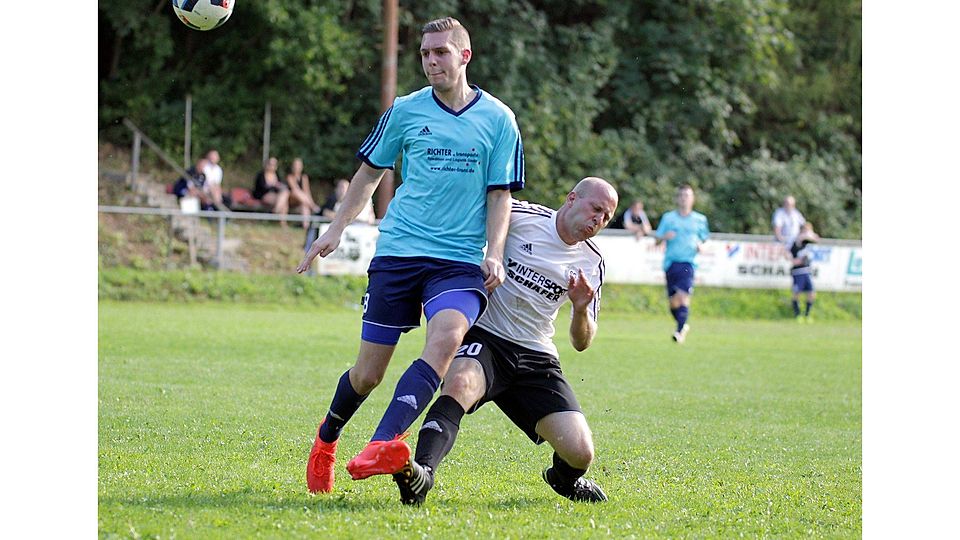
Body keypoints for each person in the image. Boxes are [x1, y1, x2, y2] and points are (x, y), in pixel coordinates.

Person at [295, 16, 525, 494]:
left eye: (440, 52)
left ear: (465, 56)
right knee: (367, 374)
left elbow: (500, 193)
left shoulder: (499, 119)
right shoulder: (404, 110)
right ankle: (326, 439)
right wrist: (335, 229)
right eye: (424, 54)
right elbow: (368, 174)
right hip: (399, 252)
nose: (430, 61)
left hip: (459, 260)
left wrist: (496, 252)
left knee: (445, 340)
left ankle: (380, 445)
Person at [392, 177, 618, 506]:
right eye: (596, 208)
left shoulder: (592, 262)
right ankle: (422, 475)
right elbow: (468, 223)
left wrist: (581, 310)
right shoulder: (522, 217)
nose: (599, 219)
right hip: (488, 338)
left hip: (536, 355)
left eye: (607, 217)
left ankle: (563, 480)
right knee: (459, 383)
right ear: (571, 199)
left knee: (581, 453)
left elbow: (582, 342)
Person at [654, 184, 710, 343]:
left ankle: (679, 332)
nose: (684, 198)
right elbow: (657, 240)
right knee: (673, 302)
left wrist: (702, 247)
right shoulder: (668, 218)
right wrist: (664, 236)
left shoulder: (699, 219)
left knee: (683, 296)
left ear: (693, 199)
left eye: (688, 195)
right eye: (682, 195)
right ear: (677, 199)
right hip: (671, 263)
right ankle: (682, 324)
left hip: (688, 263)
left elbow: (705, 240)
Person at [789, 222, 820, 322]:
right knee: (796, 293)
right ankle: (797, 314)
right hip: (798, 271)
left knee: (812, 293)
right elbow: (790, 252)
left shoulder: (808, 242)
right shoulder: (797, 241)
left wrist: (811, 234)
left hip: (807, 271)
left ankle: (807, 314)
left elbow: (817, 239)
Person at [253, 157, 290, 226]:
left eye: (274, 165)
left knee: (285, 194)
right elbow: (261, 188)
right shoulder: (261, 175)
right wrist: (273, 185)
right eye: (270, 164)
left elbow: (281, 186)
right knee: (284, 202)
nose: (272, 166)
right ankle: (282, 222)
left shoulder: (277, 175)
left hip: (276, 196)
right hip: (264, 195)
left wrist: (277, 186)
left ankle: (275, 211)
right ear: (267, 165)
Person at [286, 157, 321, 229]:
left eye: (298, 165)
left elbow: (307, 192)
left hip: (302, 201)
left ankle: (306, 227)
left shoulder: (304, 177)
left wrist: (310, 202)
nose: (296, 167)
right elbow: (295, 189)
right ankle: (314, 208)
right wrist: (312, 204)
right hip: (291, 200)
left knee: (305, 206)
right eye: (295, 165)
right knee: (296, 192)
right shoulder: (289, 177)